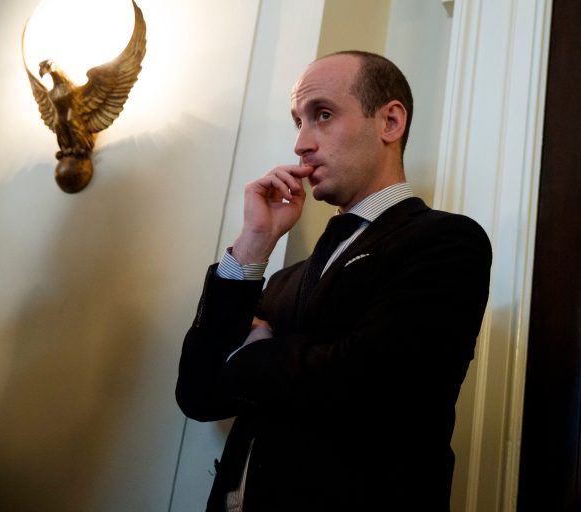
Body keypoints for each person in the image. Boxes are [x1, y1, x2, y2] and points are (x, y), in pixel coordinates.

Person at [176, 50, 492, 512]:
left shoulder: (446, 241)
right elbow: (199, 395)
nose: (301, 143)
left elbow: (370, 383)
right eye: (298, 122)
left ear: (390, 122)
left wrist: (256, 351)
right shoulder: (285, 281)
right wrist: (253, 246)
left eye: (322, 115)